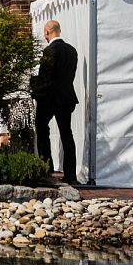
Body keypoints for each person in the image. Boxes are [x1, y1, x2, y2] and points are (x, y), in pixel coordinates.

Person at [32, 19, 80, 183]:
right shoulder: (72, 51)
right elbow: (70, 76)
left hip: (50, 98)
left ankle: (46, 168)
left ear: (47, 32)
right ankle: (71, 174)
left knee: (42, 128)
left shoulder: (50, 51)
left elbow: (46, 76)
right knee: (67, 134)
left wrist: (35, 89)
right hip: (67, 97)